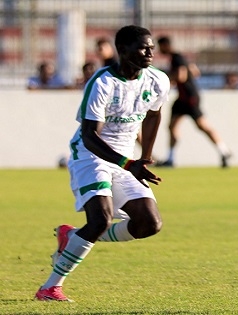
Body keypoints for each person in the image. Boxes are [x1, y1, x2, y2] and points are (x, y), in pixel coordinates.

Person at [34, 25, 170, 302]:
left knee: (149, 224)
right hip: (91, 155)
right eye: (143, 47)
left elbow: (154, 115)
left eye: (152, 48)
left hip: (126, 159)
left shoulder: (157, 80)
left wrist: (144, 156)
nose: (150, 53)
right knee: (100, 219)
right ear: (123, 50)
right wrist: (128, 163)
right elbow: (88, 136)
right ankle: (50, 287)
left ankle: (72, 237)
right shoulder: (103, 82)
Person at [156, 36, 231, 168]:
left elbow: (181, 76)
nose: (159, 50)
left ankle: (224, 150)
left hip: (189, 97)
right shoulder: (179, 57)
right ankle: (170, 158)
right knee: (172, 126)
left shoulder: (177, 57)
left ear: (165, 45)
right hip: (182, 98)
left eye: (160, 46)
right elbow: (195, 72)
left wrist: (166, 80)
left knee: (201, 125)